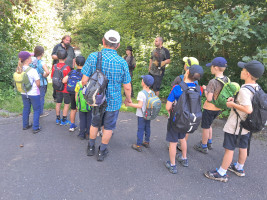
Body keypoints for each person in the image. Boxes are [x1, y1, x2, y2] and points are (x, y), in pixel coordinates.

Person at [204, 60, 265, 182]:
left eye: (243, 70)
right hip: (247, 125)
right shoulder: (257, 87)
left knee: (229, 148)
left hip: (236, 125)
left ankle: (221, 172)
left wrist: (232, 104)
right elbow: (250, 102)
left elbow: (248, 108)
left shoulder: (244, 90)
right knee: (243, 146)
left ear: (248, 74)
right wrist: (236, 100)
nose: (241, 71)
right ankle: (239, 168)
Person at [81, 29, 132, 162]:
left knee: (94, 123)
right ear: (118, 45)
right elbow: (127, 86)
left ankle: (91, 147)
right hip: (113, 101)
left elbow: (84, 80)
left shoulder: (93, 56)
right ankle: (102, 151)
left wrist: (87, 93)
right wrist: (128, 99)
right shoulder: (122, 62)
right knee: (108, 126)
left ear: (103, 42)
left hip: (96, 100)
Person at [165, 65, 204, 174]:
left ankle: (172, 165)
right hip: (188, 119)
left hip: (176, 120)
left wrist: (170, 113)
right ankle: (184, 158)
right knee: (182, 138)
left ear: (187, 73)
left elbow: (168, 107)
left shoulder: (177, 88)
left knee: (173, 142)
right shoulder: (198, 89)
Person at [194, 57, 228, 153]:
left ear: (216, 68)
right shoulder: (226, 79)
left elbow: (209, 98)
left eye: (211, 67)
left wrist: (205, 89)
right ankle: (209, 142)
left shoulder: (213, 82)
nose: (210, 68)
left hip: (209, 108)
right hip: (218, 108)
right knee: (209, 124)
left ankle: (203, 146)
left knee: (205, 126)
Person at [171, 56, 200, 151]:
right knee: (186, 125)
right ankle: (182, 144)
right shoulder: (196, 82)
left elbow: (172, 92)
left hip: (178, 108)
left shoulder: (179, 79)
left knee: (175, 126)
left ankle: (174, 145)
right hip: (191, 108)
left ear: (187, 67)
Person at [125, 75, 154, 152]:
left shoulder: (141, 93)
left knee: (140, 129)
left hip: (141, 115)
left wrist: (129, 104)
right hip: (149, 114)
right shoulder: (152, 92)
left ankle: (138, 145)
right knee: (147, 127)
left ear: (143, 83)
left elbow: (140, 105)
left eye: (142, 80)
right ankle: (147, 142)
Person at [17, 51, 41, 133]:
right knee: (37, 109)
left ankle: (25, 125)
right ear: (27, 60)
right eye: (30, 57)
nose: (31, 58)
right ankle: (35, 127)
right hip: (33, 93)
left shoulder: (18, 69)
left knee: (26, 108)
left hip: (24, 92)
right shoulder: (33, 70)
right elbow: (38, 83)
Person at [62, 56, 84, 132]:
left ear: (75, 63)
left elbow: (64, 81)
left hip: (72, 92)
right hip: (81, 93)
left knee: (73, 109)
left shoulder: (72, 72)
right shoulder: (85, 73)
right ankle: (82, 126)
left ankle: (72, 126)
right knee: (82, 109)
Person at [51, 35, 76, 101]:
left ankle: (67, 97)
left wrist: (73, 68)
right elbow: (53, 56)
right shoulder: (57, 46)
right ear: (63, 40)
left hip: (68, 68)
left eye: (69, 41)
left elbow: (73, 58)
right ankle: (56, 97)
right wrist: (60, 57)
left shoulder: (71, 48)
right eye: (67, 40)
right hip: (58, 68)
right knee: (57, 81)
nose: (68, 42)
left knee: (68, 82)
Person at [51, 49, 72, 125]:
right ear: (66, 58)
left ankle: (57, 119)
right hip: (66, 89)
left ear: (57, 57)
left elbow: (52, 76)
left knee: (58, 103)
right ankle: (64, 120)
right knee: (66, 104)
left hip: (57, 88)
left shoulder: (54, 66)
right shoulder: (67, 67)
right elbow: (68, 79)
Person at [31, 46, 50, 117]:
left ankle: (35, 111)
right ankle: (40, 112)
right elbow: (47, 72)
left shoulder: (31, 61)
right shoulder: (42, 62)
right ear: (42, 53)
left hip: (33, 82)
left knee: (35, 97)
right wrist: (44, 75)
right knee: (41, 97)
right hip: (41, 82)